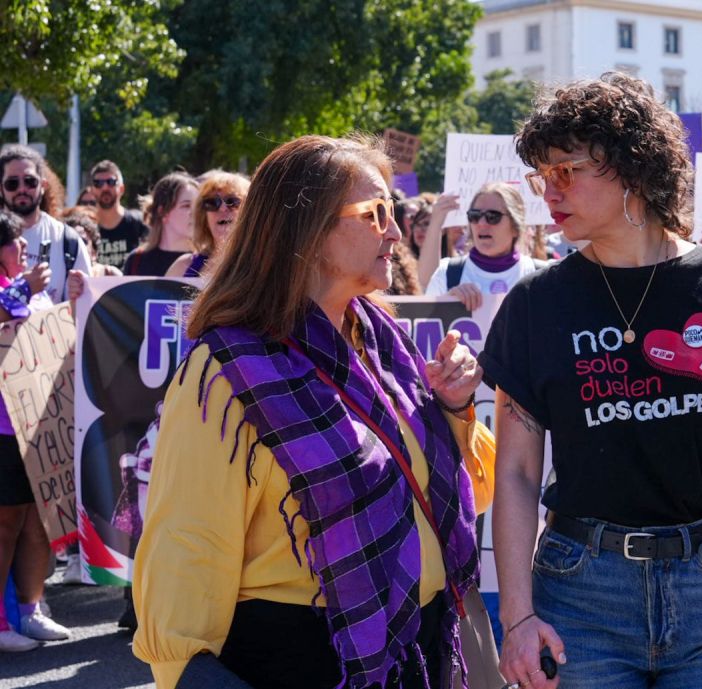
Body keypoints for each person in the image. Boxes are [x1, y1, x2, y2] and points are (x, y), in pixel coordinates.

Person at [484, 72, 702, 689]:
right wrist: (516, 617)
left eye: (566, 171)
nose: (549, 193)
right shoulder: (534, 305)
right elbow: (515, 472)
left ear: (632, 167)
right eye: (542, 176)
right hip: (580, 597)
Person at [132, 134, 495, 689]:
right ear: (308, 228)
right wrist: (190, 672)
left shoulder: (380, 339)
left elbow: (471, 489)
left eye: (393, 211)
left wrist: (455, 407)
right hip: (304, 660)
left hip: (410, 651)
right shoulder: (228, 369)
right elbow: (188, 549)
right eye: (375, 213)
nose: (395, 232)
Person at [0, 207, 63, 652]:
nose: (24, 246)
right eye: (13, 240)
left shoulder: (34, 293)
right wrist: (23, 288)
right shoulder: (21, 289)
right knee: (5, 524)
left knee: (39, 523)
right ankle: (1, 622)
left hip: (38, 424)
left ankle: (31, 608)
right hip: (3, 429)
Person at [425, 183, 545, 309]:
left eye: (493, 217)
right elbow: (423, 325)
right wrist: (447, 303)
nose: (481, 223)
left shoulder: (541, 276)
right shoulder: (446, 273)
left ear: (515, 227)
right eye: (475, 216)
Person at [0, 145, 92, 303]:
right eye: (12, 183)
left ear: (43, 186)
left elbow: (87, 306)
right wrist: (25, 289)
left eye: (30, 182)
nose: (22, 189)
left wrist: (78, 295)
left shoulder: (67, 240)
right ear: (1, 189)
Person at [166, 172, 250, 278]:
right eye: (212, 203)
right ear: (204, 217)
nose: (222, 208)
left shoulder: (264, 264)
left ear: (250, 211)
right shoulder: (182, 267)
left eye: (232, 201)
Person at [122, 173, 197, 277]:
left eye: (198, 205)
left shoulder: (208, 262)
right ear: (162, 211)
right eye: (186, 205)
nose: (195, 212)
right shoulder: (136, 260)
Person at [90, 160, 150, 269]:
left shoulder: (140, 223)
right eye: (98, 183)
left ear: (122, 189)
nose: (105, 187)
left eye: (111, 182)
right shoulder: (86, 226)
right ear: (92, 191)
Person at [62, 210, 124, 278]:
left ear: (94, 253)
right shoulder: (54, 276)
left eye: (83, 242)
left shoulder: (109, 275)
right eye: (72, 242)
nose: (78, 247)